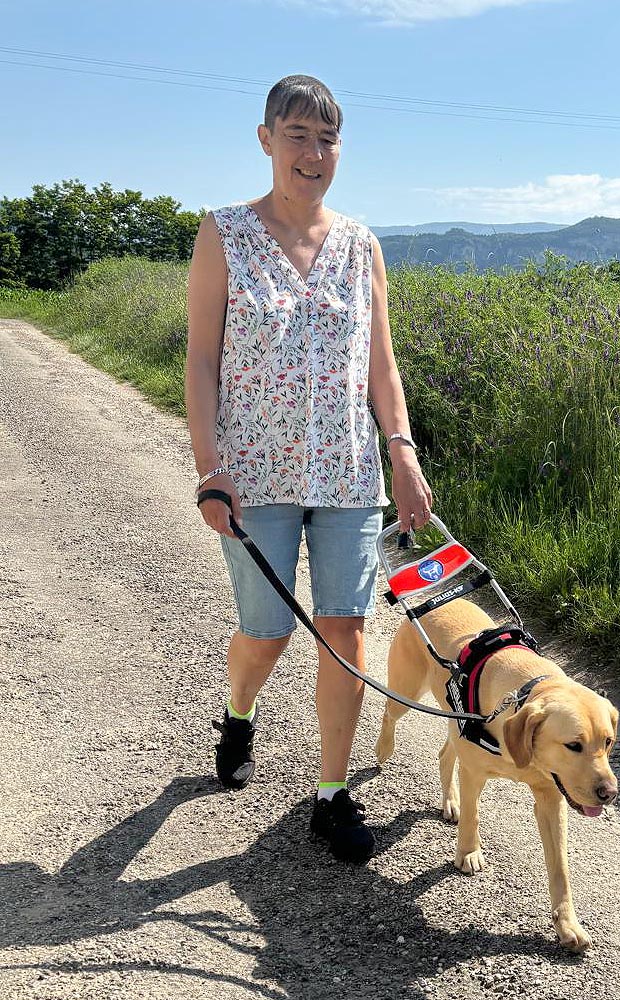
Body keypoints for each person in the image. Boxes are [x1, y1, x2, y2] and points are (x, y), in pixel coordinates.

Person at [185, 74, 432, 863]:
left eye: (327, 138)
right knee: (265, 633)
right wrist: (208, 466)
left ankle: (330, 794)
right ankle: (238, 710)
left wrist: (403, 451)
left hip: (348, 475)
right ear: (266, 139)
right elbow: (200, 362)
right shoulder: (223, 231)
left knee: (345, 631)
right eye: (297, 135)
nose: (313, 152)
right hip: (253, 474)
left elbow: (381, 365)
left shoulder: (362, 245)